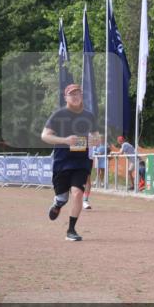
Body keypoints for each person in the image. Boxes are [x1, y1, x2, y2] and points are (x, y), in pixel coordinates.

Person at [40, 84, 96, 241]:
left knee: (78, 194)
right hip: (62, 162)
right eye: (72, 94)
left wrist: (94, 140)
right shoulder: (58, 115)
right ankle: (58, 203)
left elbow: (97, 137)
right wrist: (65, 140)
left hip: (81, 163)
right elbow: (45, 136)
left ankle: (71, 230)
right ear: (66, 98)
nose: (76, 96)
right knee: (63, 197)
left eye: (78, 93)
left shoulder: (89, 116)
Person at [84, 133, 105, 210]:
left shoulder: (92, 135)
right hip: (78, 159)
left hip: (88, 159)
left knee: (87, 179)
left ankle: (85, 200)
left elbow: (98, 143)